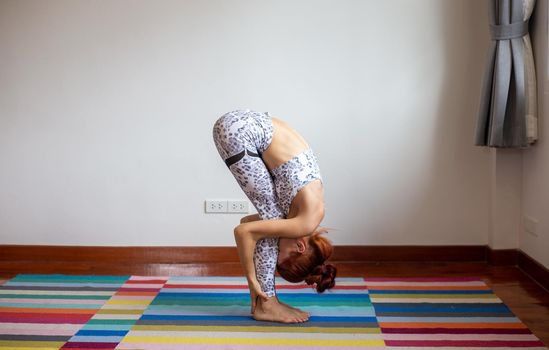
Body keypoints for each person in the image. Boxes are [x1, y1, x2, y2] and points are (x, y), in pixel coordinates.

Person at [212, 109, 337, 324]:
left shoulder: (306, 214)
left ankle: (270, 301)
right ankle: (267, 304)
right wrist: (252, 280)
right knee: (269, 223)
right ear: (300, 247)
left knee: (269, 222)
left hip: (245, 124)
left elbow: (249, 225)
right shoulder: (304, 223)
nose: (278, 246)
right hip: (241, 131)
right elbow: (243, 232)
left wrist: (259, 233)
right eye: (281, 251)